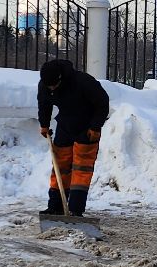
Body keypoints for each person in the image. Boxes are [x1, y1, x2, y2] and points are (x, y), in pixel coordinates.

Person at [36, 57, 109, 216]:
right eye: (49, 86)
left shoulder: (83, 82)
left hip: (86, 127)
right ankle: (56, 206)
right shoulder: (45, 86)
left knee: (81, 169)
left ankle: (75, 210)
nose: (52, 88)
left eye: (54, 85)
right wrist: (44, 125)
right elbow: (44, 104)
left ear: (61, 78)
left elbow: (103, 103)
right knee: (59, 166)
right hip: (65, 126)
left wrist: (95, 127)